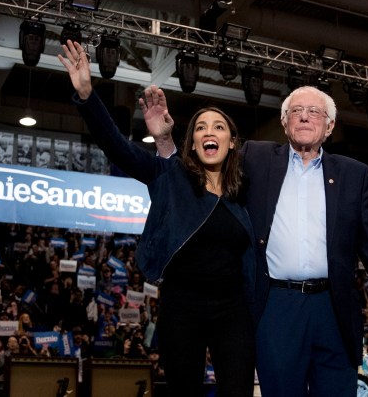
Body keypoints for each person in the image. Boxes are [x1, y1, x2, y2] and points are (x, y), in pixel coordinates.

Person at [145, 84, 368, 397]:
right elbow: (198, 171)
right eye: (296, 111)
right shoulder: (255, 157)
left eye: (314, 112)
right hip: (277, 308)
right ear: (284, 122)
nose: (304, 117)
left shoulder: (355, 175)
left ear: (330, 125)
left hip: (333, 309)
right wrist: (164, 141)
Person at [58, 40, 256, 397]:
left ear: (231, 142)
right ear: (192, 143)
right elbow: (118, 147)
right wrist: (88, 96)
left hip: (234, 310)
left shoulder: (245, 196)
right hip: (182, 305)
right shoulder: (170, 179)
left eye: (219, 127)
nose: (209, 131)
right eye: (200, 127)